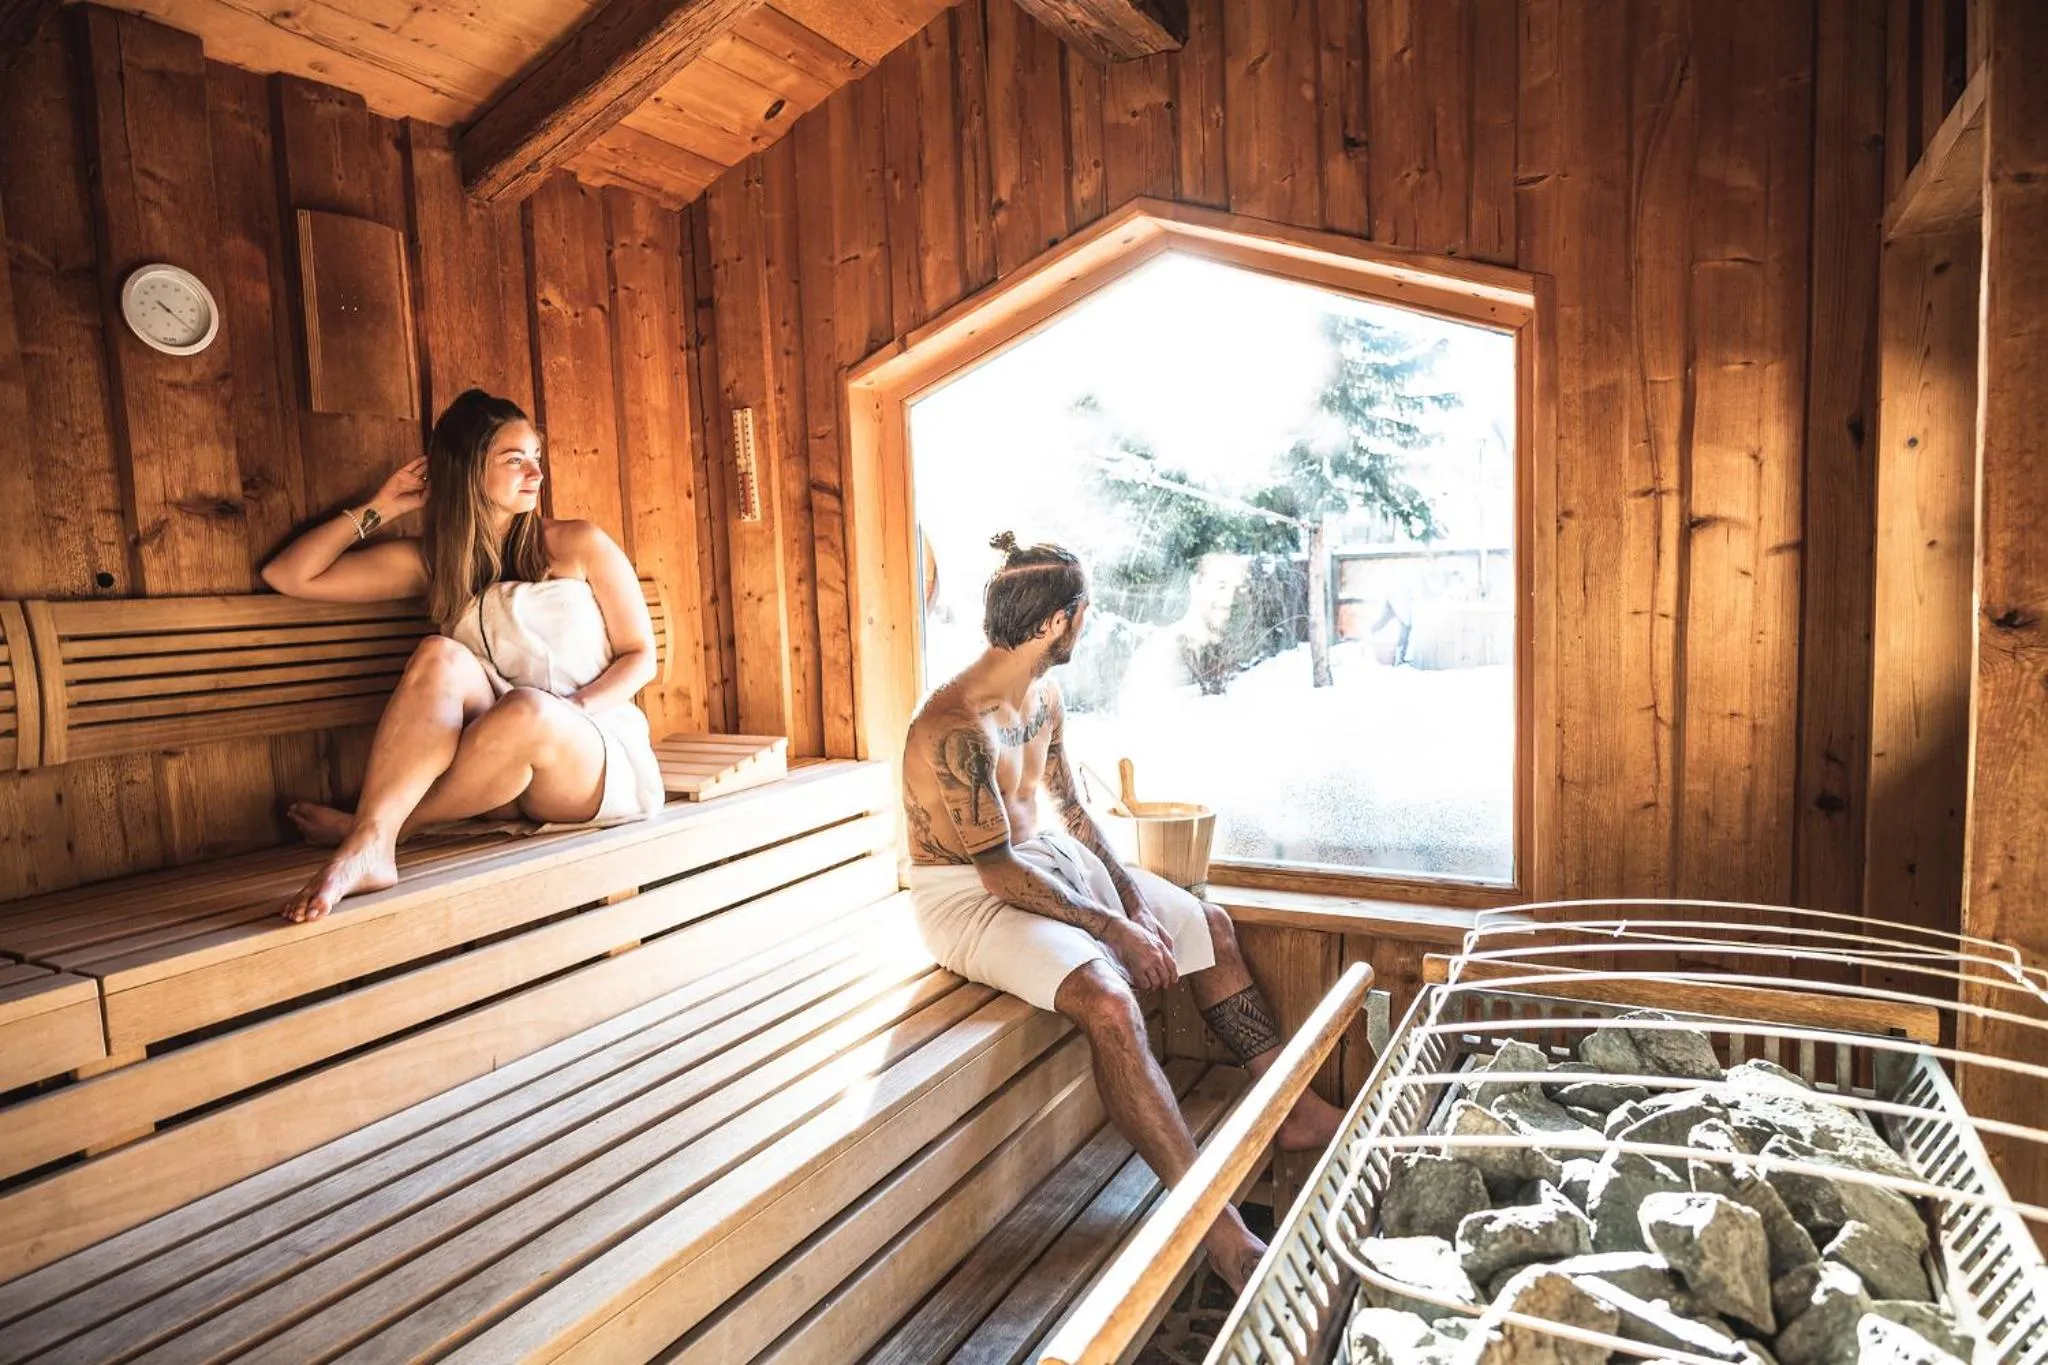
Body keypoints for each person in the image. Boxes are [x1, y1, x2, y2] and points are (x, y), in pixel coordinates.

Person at [900, 532, 1345, 1290]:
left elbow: (1069, 807)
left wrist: (1132, 893)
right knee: (1108, 999)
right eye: (1085, 614)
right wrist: (1111, 929)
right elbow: (998, 870)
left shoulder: (1041, 691)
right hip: (967, 895)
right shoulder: (952, 727)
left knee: (1207, 924)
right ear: (1057, 622)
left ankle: (1294, 1107)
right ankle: (1218, 1230)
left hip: (1039, 856)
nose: (1088, 625)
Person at [260, 389, 666, 924]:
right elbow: (290, 576)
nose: (535, 473)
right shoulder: (434, 564)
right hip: (492, 771)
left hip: (589, 756)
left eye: (536, 458)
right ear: (469, 471)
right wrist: (384, 506)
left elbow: (641, 656)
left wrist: (573, 708)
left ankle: (371, 832)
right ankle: (372, 844)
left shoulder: (577, 543)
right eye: (514, 459)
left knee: (528, 709)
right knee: (438, 654)